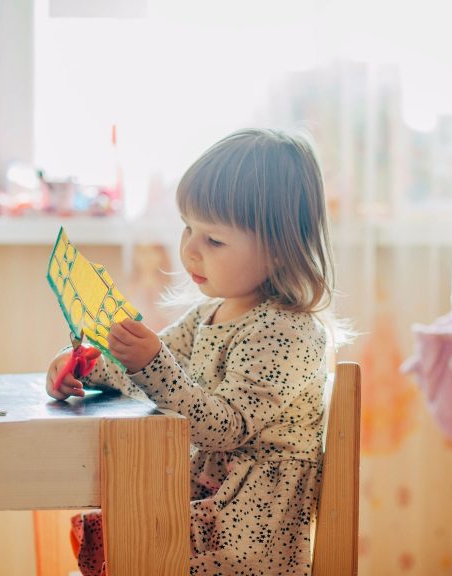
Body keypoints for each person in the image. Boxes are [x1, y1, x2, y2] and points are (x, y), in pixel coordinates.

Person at [47, 128, 342, 575]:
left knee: (130, 535)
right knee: (120, 520)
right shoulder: (211, 312)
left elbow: (224, 426)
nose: (189, 250)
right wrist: (90, 368)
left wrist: (151, 364)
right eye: (188, 228)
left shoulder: (289, 332)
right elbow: (152, 376)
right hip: (207, 503)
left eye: (214, 241)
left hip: (245, 531)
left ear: (281, 250)